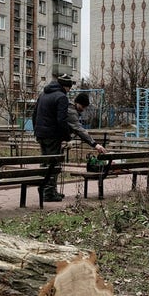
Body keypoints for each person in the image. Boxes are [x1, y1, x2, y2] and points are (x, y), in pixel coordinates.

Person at [33, 73, 107, 202]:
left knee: (45, 162)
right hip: (52, 135)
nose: (69, 90)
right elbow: (61, 120)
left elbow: (34, 114)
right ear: (65, 86)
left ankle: (45, 188)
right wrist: (66, 137)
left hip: (41, 134)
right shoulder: (61, 97)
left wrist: (37, 131)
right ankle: (49, 193)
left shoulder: (43, 94)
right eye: (69, 87)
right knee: (53, 164)